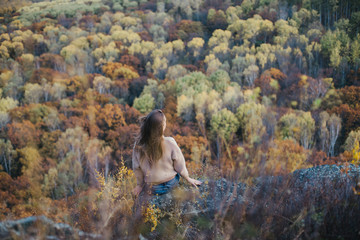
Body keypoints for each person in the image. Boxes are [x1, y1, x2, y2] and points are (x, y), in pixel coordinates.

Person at [132, 109, 202, 197]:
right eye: (164, 122)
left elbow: (136, 168)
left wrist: (139, 185)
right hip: (171, 184)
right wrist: (187, 178)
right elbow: (180, 165)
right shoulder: (170, 142)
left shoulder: (139, 145)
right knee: (176, 175)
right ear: (162, 127)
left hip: (152, 188)